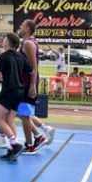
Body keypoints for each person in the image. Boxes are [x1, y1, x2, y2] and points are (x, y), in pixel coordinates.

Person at [0, 32, 29, 161]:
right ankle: (11, 150)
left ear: (8, 42)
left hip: (9, 91)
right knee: (9, 120)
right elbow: (30, 70)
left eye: (4, 39)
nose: (3, 41)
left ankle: (15, 145)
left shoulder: (4, 56)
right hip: (20, 91)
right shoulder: (21, 57)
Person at [18, 19, 55, 147]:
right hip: (23, 82)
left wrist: (33, 85)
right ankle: (40, 134)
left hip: (27, 83)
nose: (20, 27)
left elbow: (34, 66)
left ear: (27, 28)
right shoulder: (27, 42)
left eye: (22, 25)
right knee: (22, 113)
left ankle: (30, 145)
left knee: (24, 114)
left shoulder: (28, 43)